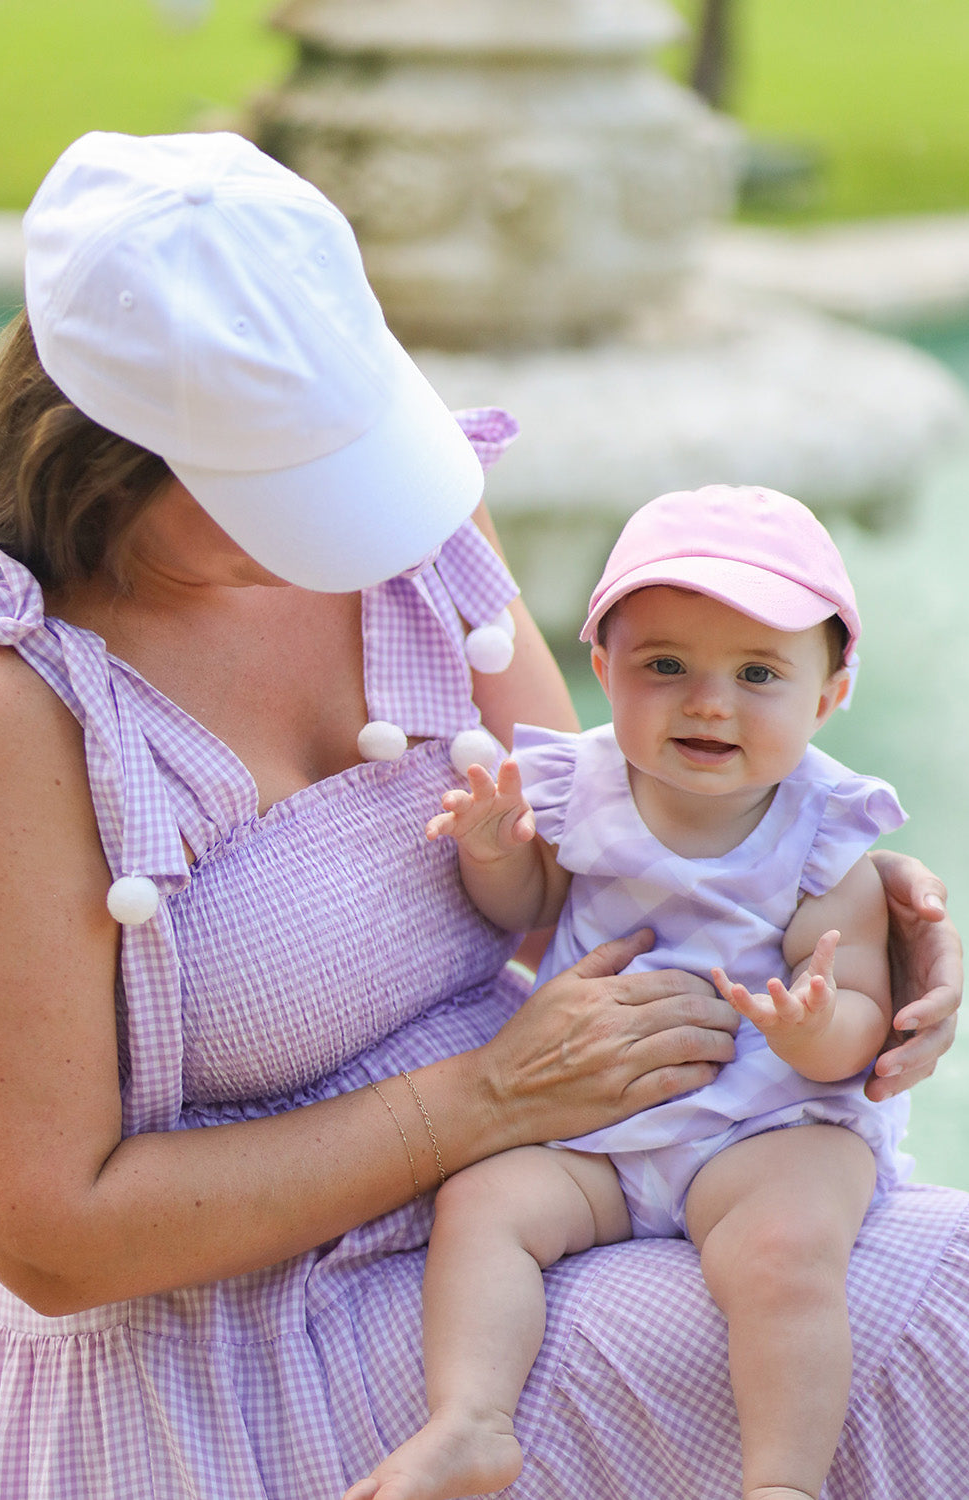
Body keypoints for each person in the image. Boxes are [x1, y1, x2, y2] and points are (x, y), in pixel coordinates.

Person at [0, 130, 969, 1500]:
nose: (338, 524)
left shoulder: (408, 513)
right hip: (240, 1334)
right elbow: (48, 1238)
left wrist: (836, 897)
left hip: (571, 1184)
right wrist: (488, 1100)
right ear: (112, 448)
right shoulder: (0, 703)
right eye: (283, 480)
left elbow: (610, 825)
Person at [350, 486, 914, 1500]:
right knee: (483, 1204)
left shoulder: (824, 834)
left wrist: (813, 1024)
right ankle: (471, 1422)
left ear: (827, 697)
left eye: (758, 675)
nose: (709, 702)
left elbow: (863, 1020)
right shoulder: (582, 784)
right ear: (602, 669)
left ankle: (780, 1481)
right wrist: (493, 853)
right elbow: (530, 907)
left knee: (788, 1254)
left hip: (766, 1126)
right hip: (595, 1130)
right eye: (666, 667)